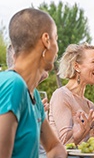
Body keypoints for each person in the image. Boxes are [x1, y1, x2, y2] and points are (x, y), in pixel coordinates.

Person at [0, 8, 66, 157]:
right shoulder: (13, 85)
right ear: (46, 40)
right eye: (56, 39)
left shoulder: (33, 95)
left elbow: (55, 147)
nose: (57, 49)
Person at [49, 42, 94, 145]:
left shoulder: (89, 105)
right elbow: (64, 143)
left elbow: (91, 144)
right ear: (77, 66)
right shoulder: (61, 95)